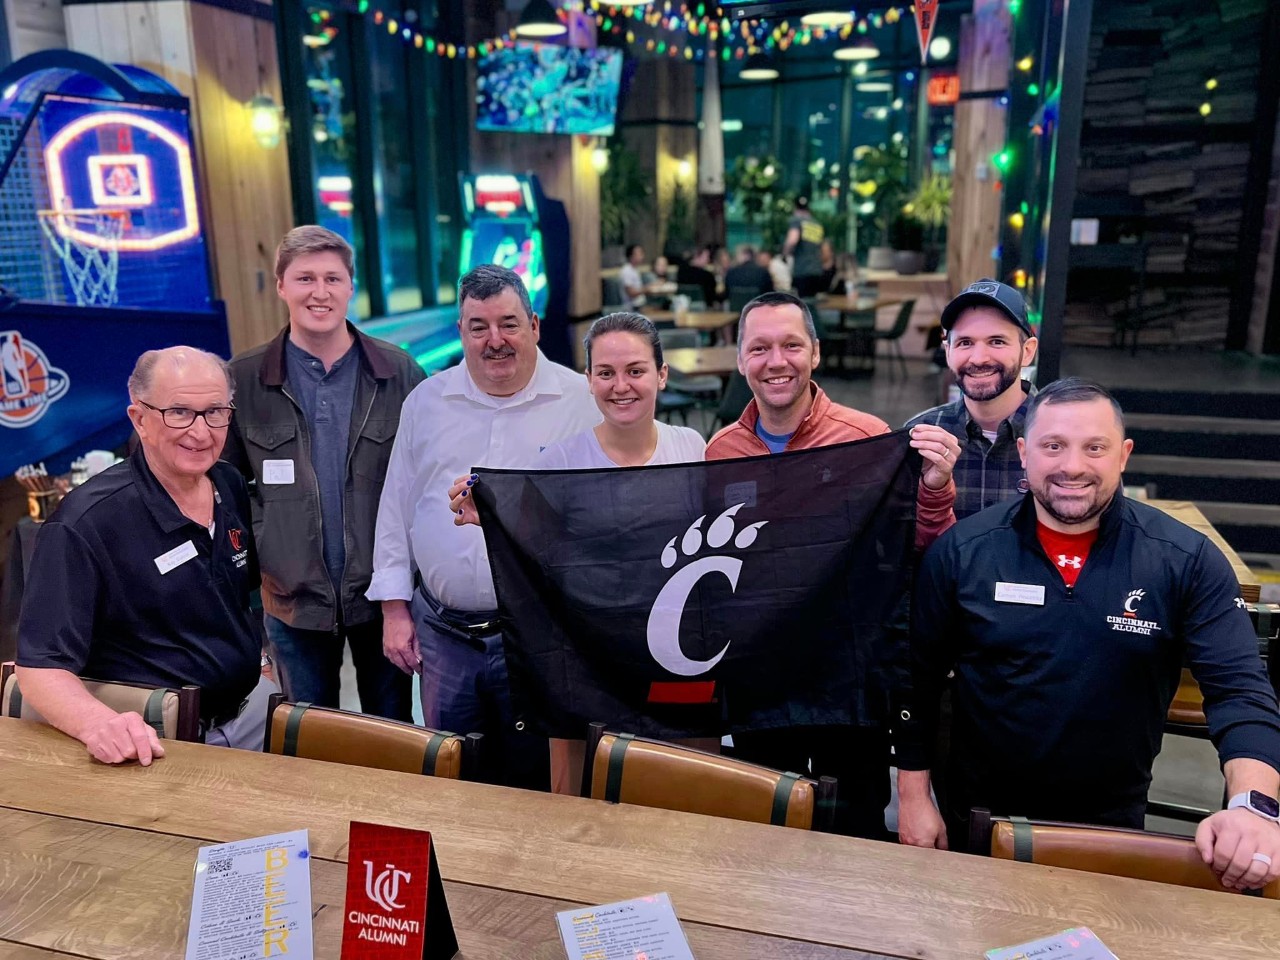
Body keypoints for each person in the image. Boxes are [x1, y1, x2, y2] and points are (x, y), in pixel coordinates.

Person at [896, 378, 1280, 892]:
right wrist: (915, 800)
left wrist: (1254, 807)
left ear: (1123, 456)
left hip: (1110, 824)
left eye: (1093, 447)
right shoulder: (963, 552)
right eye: (1053, 446)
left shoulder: (1184, 560)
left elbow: (1241, 691)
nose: (1072, 467)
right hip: (979, 821)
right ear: (1025, 454)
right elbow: (915, 681)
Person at [705, 291, 960, 838]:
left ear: (815, 353)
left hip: (851, 678)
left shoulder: (866, 437)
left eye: (791, 345)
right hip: (763, 679)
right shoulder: (721, 451)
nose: (777, 361)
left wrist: (935, 490)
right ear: (740, 359)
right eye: (760, 348)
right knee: (767, 827)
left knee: (857, 829)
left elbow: (921, 551)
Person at [449, 312, 707, 794]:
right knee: (586, 809)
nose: (621, 386)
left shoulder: (690, 447)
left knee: (682, 800)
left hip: (673, 663)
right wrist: (492, 518)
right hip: (590, 668)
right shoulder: (560, 463)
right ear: (588, 381)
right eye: (605, 373)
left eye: (635, 370)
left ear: (662, 374)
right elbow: (535, 557)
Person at [367, 264, 600, 788]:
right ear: (461, 333)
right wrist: (393, 609)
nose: (495, 340)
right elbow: (396, 508)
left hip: (535, 638)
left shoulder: (580, 401)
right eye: (479, 326)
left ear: (535, 326)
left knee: (533, 781)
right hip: (442, 635)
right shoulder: (426, 402)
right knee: (452, 777)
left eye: (509, 324)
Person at [16, 347, 274, 763]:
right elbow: (39, 668)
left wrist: (258, 658)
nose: (201, 431)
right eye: (179, 412)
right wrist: (98, 724)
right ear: (139, 419)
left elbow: (239, 597)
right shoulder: (85, 523)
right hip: (157, 742)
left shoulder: (226, 483)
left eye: (215, 412)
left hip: (251, 715)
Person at [223, 226, 424, 721]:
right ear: (281, 286)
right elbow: (222, 492)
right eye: (305, 278)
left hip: (383, 599)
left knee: (393, 737)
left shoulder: (399, 375)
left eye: (333, 278)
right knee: (308, 745)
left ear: (350, 286)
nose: (320, 292)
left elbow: (425, 487)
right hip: (290, 604)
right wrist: (255, 587)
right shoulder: (243, 380)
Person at [905, 279, 1039, 520]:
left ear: (1027, 351)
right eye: (965, 343)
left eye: (996, 341)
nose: (978, 358)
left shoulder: (1064, 434)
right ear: (948, 352)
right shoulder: (921, 435)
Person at [783, 196, 826, 298]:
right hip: (816, 270)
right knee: (811, 303)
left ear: (795, 208)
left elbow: (792, 240)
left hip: (802, 270)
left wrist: (784, 254)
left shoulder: (797, 221)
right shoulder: (817, 224)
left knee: (800, 304)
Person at [619, 243, 647, 310]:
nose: (642, 256)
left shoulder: (635, 270)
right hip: (632, 308)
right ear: (631, 256)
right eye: (639, 254)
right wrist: (648, 289)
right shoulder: (626, 271)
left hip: (640, 305)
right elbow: (631, 293)